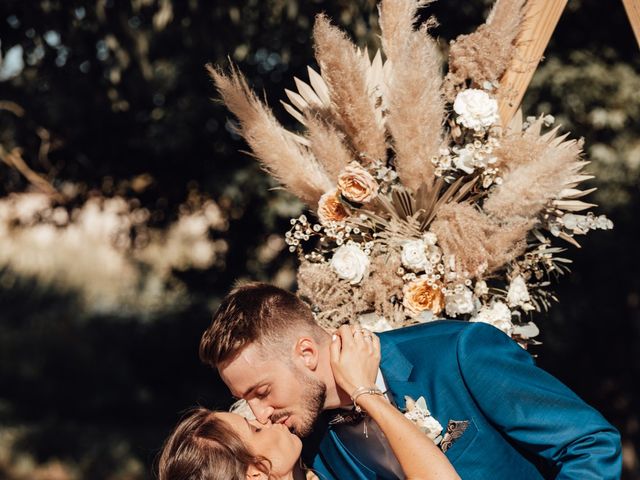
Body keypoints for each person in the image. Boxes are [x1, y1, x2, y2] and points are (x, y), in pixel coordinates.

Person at [199, 282, 622, 480]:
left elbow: (589, 445)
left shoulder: (458, 353)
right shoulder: (308, 448)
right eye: (243, 399)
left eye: (261, 392)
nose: (259, 413)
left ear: (306, 354)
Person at [158, 323, 460, 480]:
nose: (262, 418)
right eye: (255, 430)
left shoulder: (321, 453)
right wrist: (365, 392)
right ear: (256, 473)